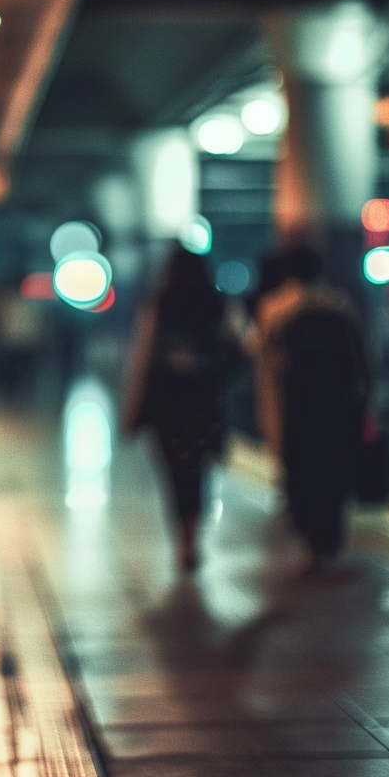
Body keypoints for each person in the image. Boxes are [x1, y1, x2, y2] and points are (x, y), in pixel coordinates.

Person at [253, 243, 369, 572]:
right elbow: (363, 362)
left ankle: (312, 544)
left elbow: (260, 357)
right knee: (332, 473)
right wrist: (367, 407)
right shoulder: (338, 305)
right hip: (336, 408)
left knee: (301, 473)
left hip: (294, 410)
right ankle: (329, 539)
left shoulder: (274, 309)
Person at [123, 244, 236, 570]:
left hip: (166, 402)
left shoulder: (160, 303)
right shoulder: (216, 304)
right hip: (204, 401)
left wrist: (133, 407)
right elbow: (236, 345)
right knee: (199, 468)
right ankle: (194, 532)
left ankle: (182, 539)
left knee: (174, 471)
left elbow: (142, 359)